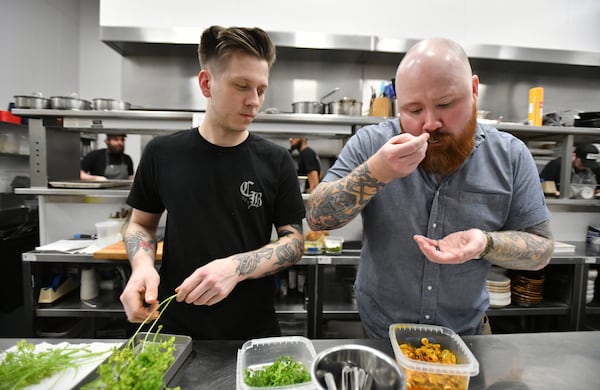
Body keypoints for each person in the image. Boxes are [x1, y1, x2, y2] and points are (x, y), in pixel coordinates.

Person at [306, 37, 554, 337]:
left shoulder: (511, 156)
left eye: (446, 104)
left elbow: (541, 250)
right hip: (382, 334)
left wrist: (485, 243)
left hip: (466, 335)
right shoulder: (373, 144)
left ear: (474, 90)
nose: (429, 123)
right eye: (413, 109)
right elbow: (318, 216)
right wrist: (377, 172)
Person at [119, 26, 305, 340]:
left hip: (252, 330)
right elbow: (141, 225)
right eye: (242, 86)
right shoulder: (162, 153)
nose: (254, 101)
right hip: (175, 325)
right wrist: (141, 267)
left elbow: (294, 242)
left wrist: (236, 267)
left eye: (261, 89)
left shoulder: (276, 160)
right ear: (207, 83)